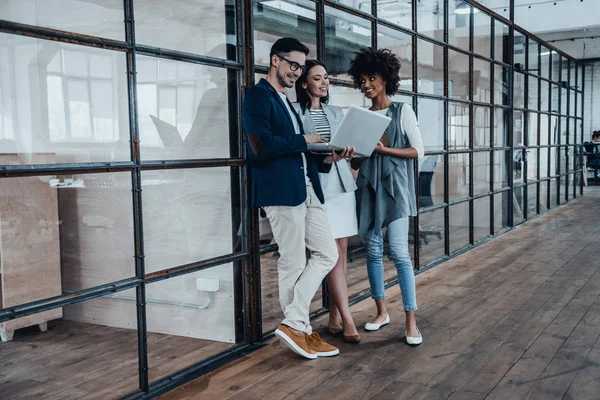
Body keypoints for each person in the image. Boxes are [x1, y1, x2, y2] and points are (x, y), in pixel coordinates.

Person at [242, 37, 354, 359]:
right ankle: (301, 329)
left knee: (327, 253)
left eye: (301, 67)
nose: (297, 72)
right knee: (293, 261)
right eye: (293, 65)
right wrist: (302, 139)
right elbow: (260, 145)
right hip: (280, 191)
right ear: (274, 60)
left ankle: (295, 322)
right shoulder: (257, 96)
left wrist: (328, 159)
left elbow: (299, 151)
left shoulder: (286, 102)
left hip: (306, 186)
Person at [348, 47, 424, 345]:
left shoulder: (402, 111)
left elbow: (418, 151)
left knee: (400, 254)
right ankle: (381, 312)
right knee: (372, 252)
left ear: (385, 78)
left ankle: (411, 320)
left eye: (372, 77)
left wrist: (382, 149)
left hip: (396, 190)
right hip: (369, 188)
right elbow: (356, 163)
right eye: (362, 79)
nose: (366, 84)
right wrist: (354, 153)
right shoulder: (362, 118)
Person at [293, 60, 360, 344]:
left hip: (342, 183)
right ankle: (347, 318)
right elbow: (299, 148)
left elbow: (346, 143)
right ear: (304, 83)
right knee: (329, 251)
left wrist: (350, 150)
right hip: (318, 185)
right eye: (316, 78)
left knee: (341, 252)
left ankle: (334, 315)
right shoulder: (296, 112)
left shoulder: (335, 111)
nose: (323, 83)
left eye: (326, 78)